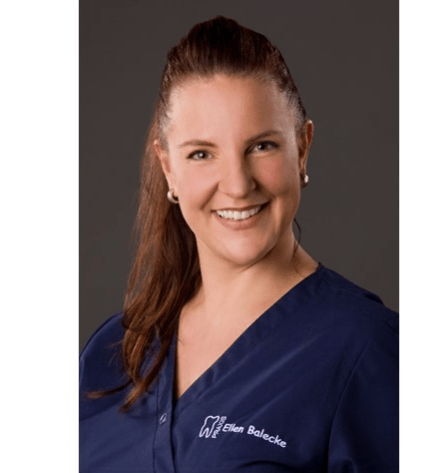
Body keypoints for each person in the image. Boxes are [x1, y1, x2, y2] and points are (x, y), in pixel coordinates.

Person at [80, 16, 398, 473]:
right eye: (201, 154)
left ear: (302, 148)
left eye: (261, 146)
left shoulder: (367, 349)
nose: (237, 184)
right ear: (168, 168)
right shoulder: (114, 350)